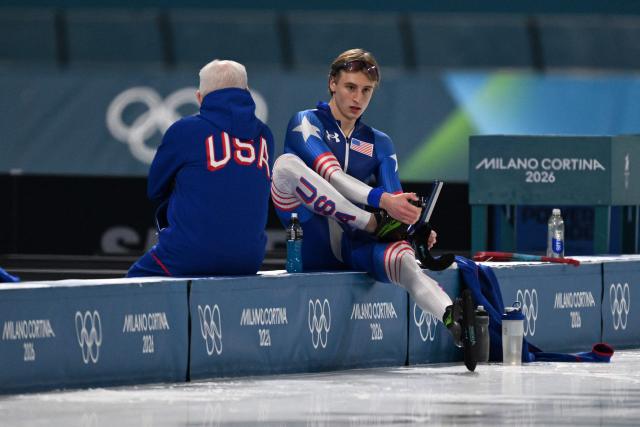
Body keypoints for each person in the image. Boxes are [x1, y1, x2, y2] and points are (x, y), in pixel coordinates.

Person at [271, 49, 463, 345]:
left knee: (406, 260)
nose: (357, 98)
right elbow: (333, 177)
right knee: (285, 165)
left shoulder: (379, 142)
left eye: (366, 91)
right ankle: (369, 223)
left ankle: (453, 319)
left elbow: (397, 201)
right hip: (309, 232)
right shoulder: (307, 123)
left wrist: (415, 227)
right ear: (332, 83)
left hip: (353, 246)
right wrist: (381, 205)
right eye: (350, 87)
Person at [127, 60, 273, 277]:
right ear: (247, 92)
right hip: (250, 260)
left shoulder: (184, 130)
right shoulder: (264, 135)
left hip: (188, 255)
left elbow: (155, 189)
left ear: (199, 97)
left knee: (131, 283)